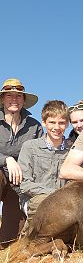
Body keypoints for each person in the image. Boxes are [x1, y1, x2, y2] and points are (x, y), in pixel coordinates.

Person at [0, 77, 43, 248]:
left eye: (18, 96)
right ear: (2, 99)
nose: (14, 99)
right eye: (9, 95)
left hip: (19, 181)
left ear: (24, 100)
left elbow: (39, 155)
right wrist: (7, 159)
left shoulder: (35, 126)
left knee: (8, 242)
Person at [18, 100, 70, 229]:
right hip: (32, 199)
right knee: (44, 206)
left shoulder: (72, 150)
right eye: (52, 122)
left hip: (64, 200)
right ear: (43, 122)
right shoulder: (30, 147)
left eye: (61, 123)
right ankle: (28, 238)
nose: (56, 127)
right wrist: (54, 194)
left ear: (67, 124)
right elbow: (25, 184)